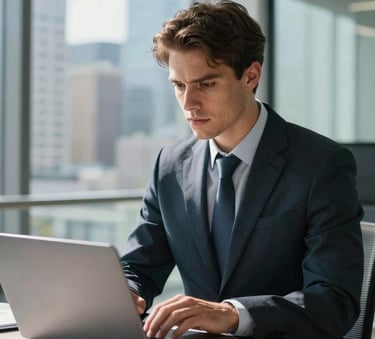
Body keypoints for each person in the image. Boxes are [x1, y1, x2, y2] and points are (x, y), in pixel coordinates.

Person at [120, 1, 364, 338]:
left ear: (250, 76)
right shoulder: (170, 164)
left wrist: (232, 314)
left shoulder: (321, 165)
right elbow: (139, 265)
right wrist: (128, 292)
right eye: (179, 85)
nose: (189, 103)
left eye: (205, 84)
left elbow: (334, 301)